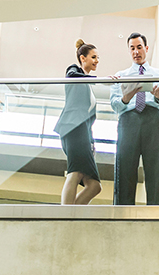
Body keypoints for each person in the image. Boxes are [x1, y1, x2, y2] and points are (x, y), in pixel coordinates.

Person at [109, 32, 159, 205]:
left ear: (146, 48)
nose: (136, 51)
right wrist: (126, 97)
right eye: (132, 48)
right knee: (124, 169)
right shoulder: (120, 76)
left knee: (157, 170)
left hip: (154, 120)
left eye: (139, 47)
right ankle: (121, 214)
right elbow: (114, 105)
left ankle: (157, 214)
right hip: (128, 121)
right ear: (129, 51)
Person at [55, 40, 102, 205]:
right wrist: (96, 79)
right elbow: (72, 76)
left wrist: (91, 142)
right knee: (74, 172)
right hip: (72, 128)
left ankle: (72, 213)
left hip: (83, 133)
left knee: (94, 185)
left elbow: (88, 120)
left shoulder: (88, 85)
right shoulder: (74, 70)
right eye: (93, 57)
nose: (97, 61)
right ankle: (66, 216)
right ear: (83, 58)